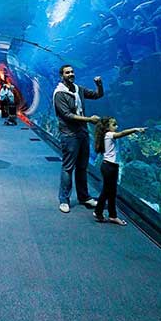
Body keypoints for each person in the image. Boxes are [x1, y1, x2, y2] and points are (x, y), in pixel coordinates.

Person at [53, 64, 104, 213]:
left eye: (72, 72)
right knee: (68, 168)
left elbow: (97, 95)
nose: (71, 74)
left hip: (82, 133)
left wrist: (99, 85)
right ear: (61, 76)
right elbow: (67, 115)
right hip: (69, 135)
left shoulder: (78, 89)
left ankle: (84, 197)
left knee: (82, 167)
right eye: (67, 72)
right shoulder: (59, 94)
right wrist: (89, 119)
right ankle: (64, 200)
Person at [92, 117, 146, 224]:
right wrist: (135, 129)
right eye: (114, 125)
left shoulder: (108, 135)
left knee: (112, 192)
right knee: (107, 191)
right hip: (108, 167)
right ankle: (98, 212)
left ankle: (112, 216)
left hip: (112, 167)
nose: (117, 127)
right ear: (107, 127)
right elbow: (121, 133)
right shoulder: (108, 135)